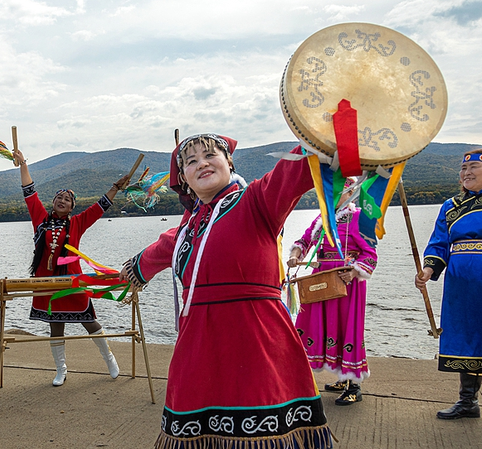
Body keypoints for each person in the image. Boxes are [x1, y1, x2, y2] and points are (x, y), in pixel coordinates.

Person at [119, 134, 332, 448]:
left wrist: (320, 134)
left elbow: (293, 170)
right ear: (184, 178)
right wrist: (131, 271)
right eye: (191, 161)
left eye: (210, 155)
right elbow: (159, 250)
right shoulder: (187, 228)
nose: (202, 164)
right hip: (197, 350)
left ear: (229, 162)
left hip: (255, 342)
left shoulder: (257, 200)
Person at [12, 148, 129, 386]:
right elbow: (29, 192)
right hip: (47, 282)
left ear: (72, 207)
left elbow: (99, 207)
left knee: (89, 320)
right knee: (56, 325)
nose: (62, 201)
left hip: (72, 281)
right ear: (53, 202)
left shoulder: (77, 223)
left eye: (67, 199)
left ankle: (109, 359)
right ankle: (61, 370)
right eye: (59, 197)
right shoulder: (40, 220)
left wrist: (115, 188)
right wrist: (23, 164)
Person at [288, 182, 378, 406]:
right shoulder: (322, 219)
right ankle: (341, 376)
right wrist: (295, 254)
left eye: (336, 192)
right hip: (322, 280)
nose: (330, 196)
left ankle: (354, 385)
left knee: (347, 327)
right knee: (320, 325)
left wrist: (354, 271)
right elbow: (305, 240)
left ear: (350, 192)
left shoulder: (360, 217)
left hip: (347, 283)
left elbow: (370, 253)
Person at [416, 148, 482, 420]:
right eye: (463, 169)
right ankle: (468, 401)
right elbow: (439, 243)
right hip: (460, 283)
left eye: (473, 168)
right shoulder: (450, 206)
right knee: (466, 336)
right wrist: (428, 270)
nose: (466, 173)